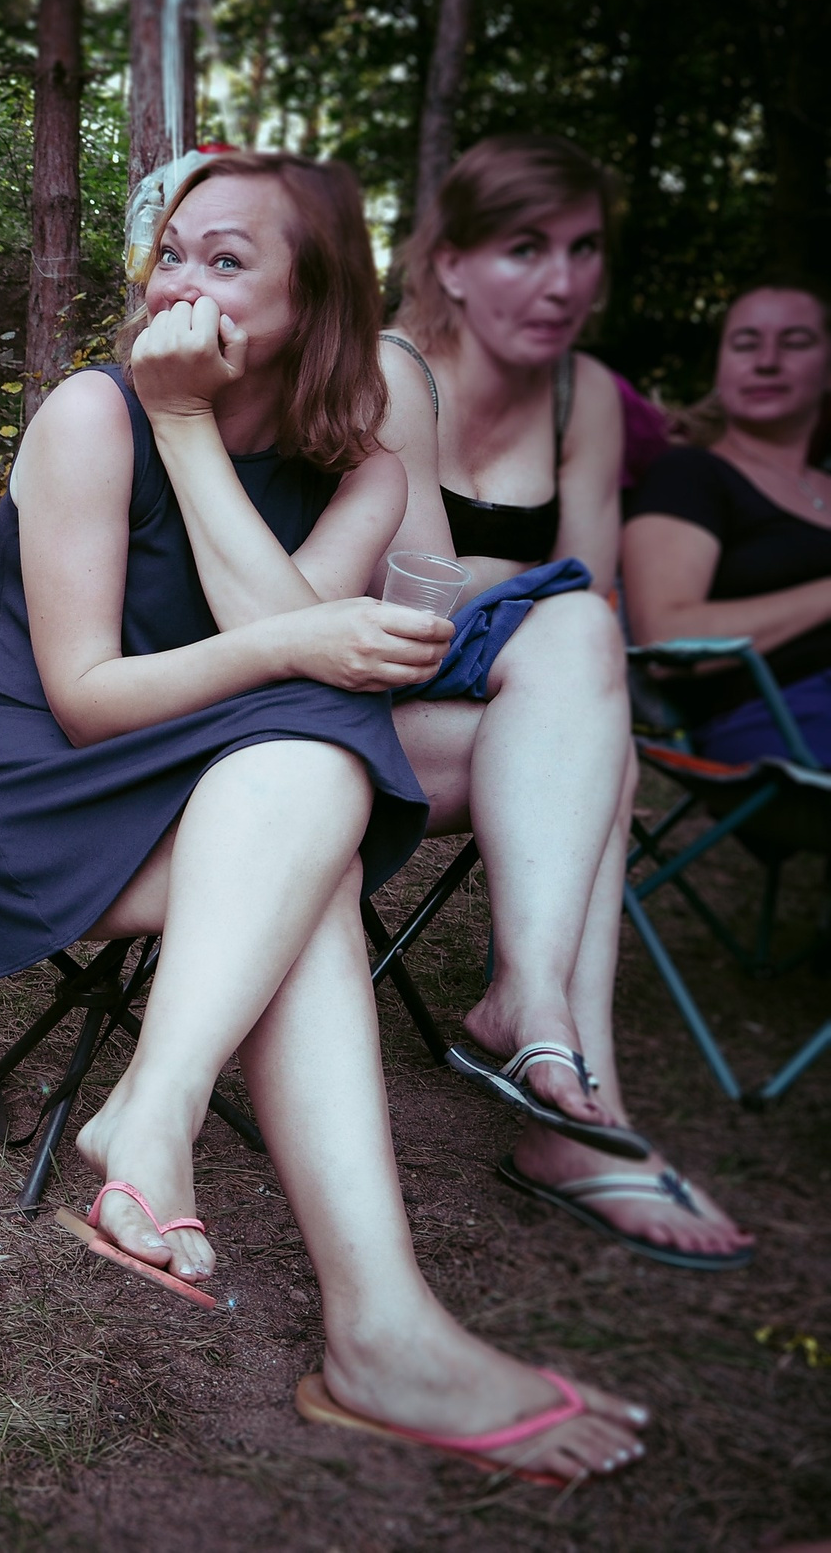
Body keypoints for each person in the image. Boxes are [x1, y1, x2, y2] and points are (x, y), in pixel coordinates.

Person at [0, 153, 648, 1483]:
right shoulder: (92, 416)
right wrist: (178, 430)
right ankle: (372, 1319)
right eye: (173, 252)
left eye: (229, 261)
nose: (179, 285)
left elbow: (285, 665)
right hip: (14, 776)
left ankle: (186, 1139)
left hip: (221, 769)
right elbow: (90, 698)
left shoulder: (364, 475)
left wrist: (199, 438)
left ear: (317, 303)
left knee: (312, 793)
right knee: (312, 793)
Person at [380, 134, 753, 1271]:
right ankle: (575, 1097)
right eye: (525, 248)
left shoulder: (582, 394)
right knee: (595, 714)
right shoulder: (393, 372)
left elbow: (584, 591)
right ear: (450, 262)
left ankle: (545, 1037)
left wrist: (527, 613)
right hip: (354, 717)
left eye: (584, 249)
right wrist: (526, 608)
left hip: (504, 709)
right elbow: (410, 608)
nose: (562, 282)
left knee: (590, 672)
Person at [624, 285, 831, 765]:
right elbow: (667, 640)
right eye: (745, 343)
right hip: (786, 716)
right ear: (720, 367)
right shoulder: (690, 475)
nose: (767, 361)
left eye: (795, 342)